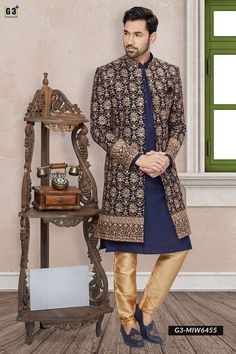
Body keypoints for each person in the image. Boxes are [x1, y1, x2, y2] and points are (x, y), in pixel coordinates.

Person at [90, 6, 192, 348]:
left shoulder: (169, 74)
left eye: (137, 34)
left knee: (178, 248)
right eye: (126, 33)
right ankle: (126, 321)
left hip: (162, 175)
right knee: (126, 253)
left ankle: (145, 313)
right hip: (125, 179)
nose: (129, 40)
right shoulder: (107, 74)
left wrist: (165, 156)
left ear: (152, 36)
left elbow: (179, 125)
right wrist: (136, 158)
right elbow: (100, 130)